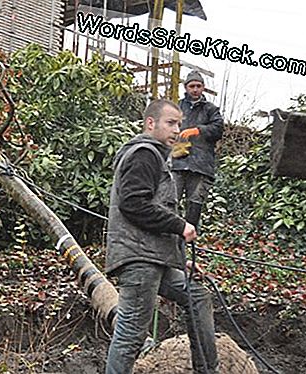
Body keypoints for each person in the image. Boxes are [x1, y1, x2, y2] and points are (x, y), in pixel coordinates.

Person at [105, 99, 219, 374]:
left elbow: (152, 209)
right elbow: (133, 204)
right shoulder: (143, 153)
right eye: (170, 123)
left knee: (197, 296)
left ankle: (208, 369)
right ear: (150, 123)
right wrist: (180, 225)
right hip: (138, 258)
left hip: (155, 257)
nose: (177, 129)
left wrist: (179, 260)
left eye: (179, 123)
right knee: (131, 332)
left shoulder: (159, 155)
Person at [173, 70, 224, 228]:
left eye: (198, 86)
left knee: (194, 205)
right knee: (169, 200)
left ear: (203, 88)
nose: (195, 89)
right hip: (178, 163)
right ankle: (167, 237)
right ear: (186, 88)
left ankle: (189, 241)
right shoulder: (177, 107)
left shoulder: (211, 109)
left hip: (201, 165)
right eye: (192, 86)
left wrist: (198, 130)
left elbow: (218, 129)